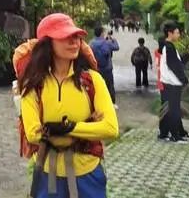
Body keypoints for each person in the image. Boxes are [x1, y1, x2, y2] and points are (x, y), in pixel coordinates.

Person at [19, 13, 119, 198]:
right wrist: (88, 126)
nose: (74, 42)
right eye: (65, 37)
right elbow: (32, 133)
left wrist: (68, 128)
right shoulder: (33, 84)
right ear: (48, 43)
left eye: (76, 37)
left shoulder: (93, 80)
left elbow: (111, 128)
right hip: (48, 173)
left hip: (87, 173)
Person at [157, 22, 189, 143]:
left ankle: (165, 133)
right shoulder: (168, 47)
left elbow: (178, 62)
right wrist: (184, 80)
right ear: (170, 33)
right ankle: (175, 135)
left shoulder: (168, 46)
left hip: (167, 83)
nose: (179, 35)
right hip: (171, 84)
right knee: (173, 110)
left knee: (167, 109)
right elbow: (175, 66)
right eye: (177, 32)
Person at [90, 27, 119, 108]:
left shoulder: (91, 43)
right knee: (110, 86)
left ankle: (97, 104)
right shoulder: (107, 43)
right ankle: (112, 103)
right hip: (107, 69)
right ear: (102, 33)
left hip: (96, 69)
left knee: (97, 86)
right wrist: (113, 39)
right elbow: (116, 47)